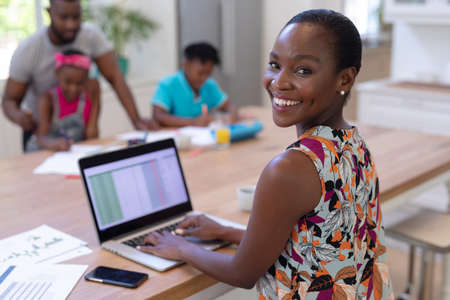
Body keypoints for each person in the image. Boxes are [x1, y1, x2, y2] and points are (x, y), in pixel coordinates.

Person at [138, 9, 394, 299]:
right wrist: (227, 231)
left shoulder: (290, 168)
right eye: (274, 64)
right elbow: (318, 236)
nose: (279, 82)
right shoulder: (354, 143)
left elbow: (242, 273)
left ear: (345, 79)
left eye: (303, 70)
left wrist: (181, 247)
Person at [1, 0, 158, 152]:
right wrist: (21, 117)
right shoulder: (29, 49)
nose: (71, 24)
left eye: (76, 17)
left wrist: (136, 120)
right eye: (63, 17)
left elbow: (116, 78)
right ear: (50, 12)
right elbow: (9, 101)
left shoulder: (91, 36)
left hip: (77, 135)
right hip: (41, 132)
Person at [26, 49, 99, 152]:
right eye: (68, 82)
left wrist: (96, 98)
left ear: (86, 79)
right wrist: (55, 144)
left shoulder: (88, 97)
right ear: (57, 74)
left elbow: (92, 135)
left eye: (79, 83)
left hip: (71, 154)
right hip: (44, 153)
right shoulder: (47, 98)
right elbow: (41, 138)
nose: (73, 89)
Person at [151, 42, 238, 127]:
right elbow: (158, 116)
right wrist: (193, 122)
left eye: (208, 73)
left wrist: (231, 116)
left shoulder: (209, 85)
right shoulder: (168, 84)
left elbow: (229, 106)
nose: (204, 78)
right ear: (186, 65)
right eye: (200, 73)